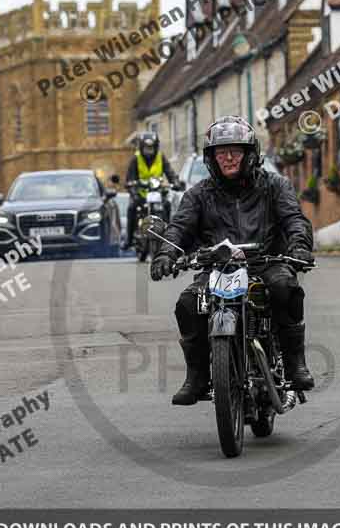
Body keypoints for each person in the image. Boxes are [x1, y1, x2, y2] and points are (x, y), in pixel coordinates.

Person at [151, 115, 315, 406]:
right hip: (217, 268)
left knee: (284, 288)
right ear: (211, 157)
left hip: (266, 262)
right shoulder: (198, 194)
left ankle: (294, 364)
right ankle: (197, 376)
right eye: (220, 152)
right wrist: (166, 253)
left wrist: (299, 247)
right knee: (188, 304)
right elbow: (179, 227)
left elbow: (294, 220)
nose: (227, 157)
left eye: (235, 151)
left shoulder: (275, 186)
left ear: (250, 154)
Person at [122, 132, 179, 250]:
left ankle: (168, 235)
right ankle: (129, 238)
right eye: (146, 147)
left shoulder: (160, 157)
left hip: (158, 193)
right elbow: (130, 177)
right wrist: (131, 186)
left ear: (156, 146)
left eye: (151, 147)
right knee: (131, 207)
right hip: (141, 194)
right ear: (141, 147)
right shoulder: (136, 159)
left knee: (167, 204)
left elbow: (169, 172)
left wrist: (175, 182)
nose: (149, 150)